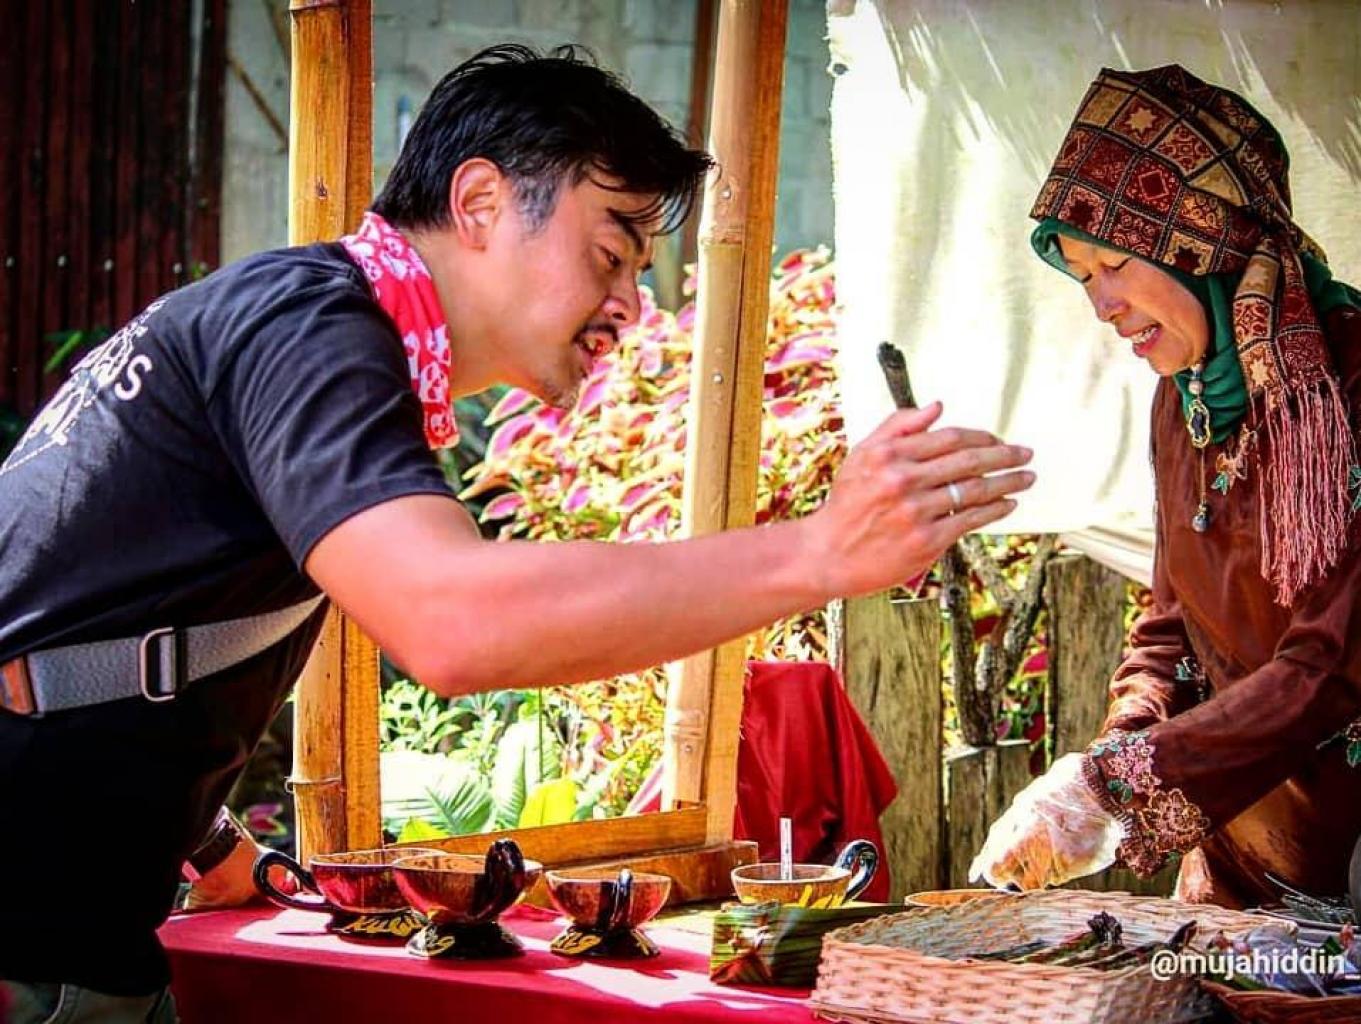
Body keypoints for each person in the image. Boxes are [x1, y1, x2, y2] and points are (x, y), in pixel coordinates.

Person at [0, 44, 1034, 1021]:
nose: (630, 305)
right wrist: (817, 550)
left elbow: (100, 622)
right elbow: (453, 624)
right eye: (609, 254)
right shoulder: (311, 327)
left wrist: (204, 834)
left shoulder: (292, 317)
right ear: (481, 202)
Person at [971, 64, 1361, 909]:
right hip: (1236, 860)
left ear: (1204, 244)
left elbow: (1334, 664)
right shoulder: (1180, 401)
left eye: (1114, 260)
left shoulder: (1349, 381)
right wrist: (1102, 763)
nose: (1100, 304)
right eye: (1082, 274)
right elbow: (1172, 626)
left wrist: (1119, 782)